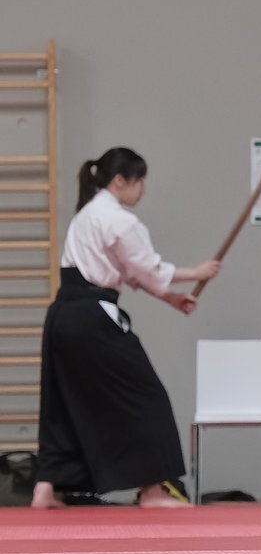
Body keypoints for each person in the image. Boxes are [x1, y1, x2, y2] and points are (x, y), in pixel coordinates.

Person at [30, 147, 221, 509]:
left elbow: (130, 273)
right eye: (139, 182)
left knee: (63, 399)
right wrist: (196, 273)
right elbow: (147, 269)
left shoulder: (87, 214)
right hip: (91, 318)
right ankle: (152, 490)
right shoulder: (119, 220)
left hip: (63, 315)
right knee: (146, 396)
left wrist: (171, 299)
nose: (143, 190)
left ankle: (46, 487)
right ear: (120, 181)